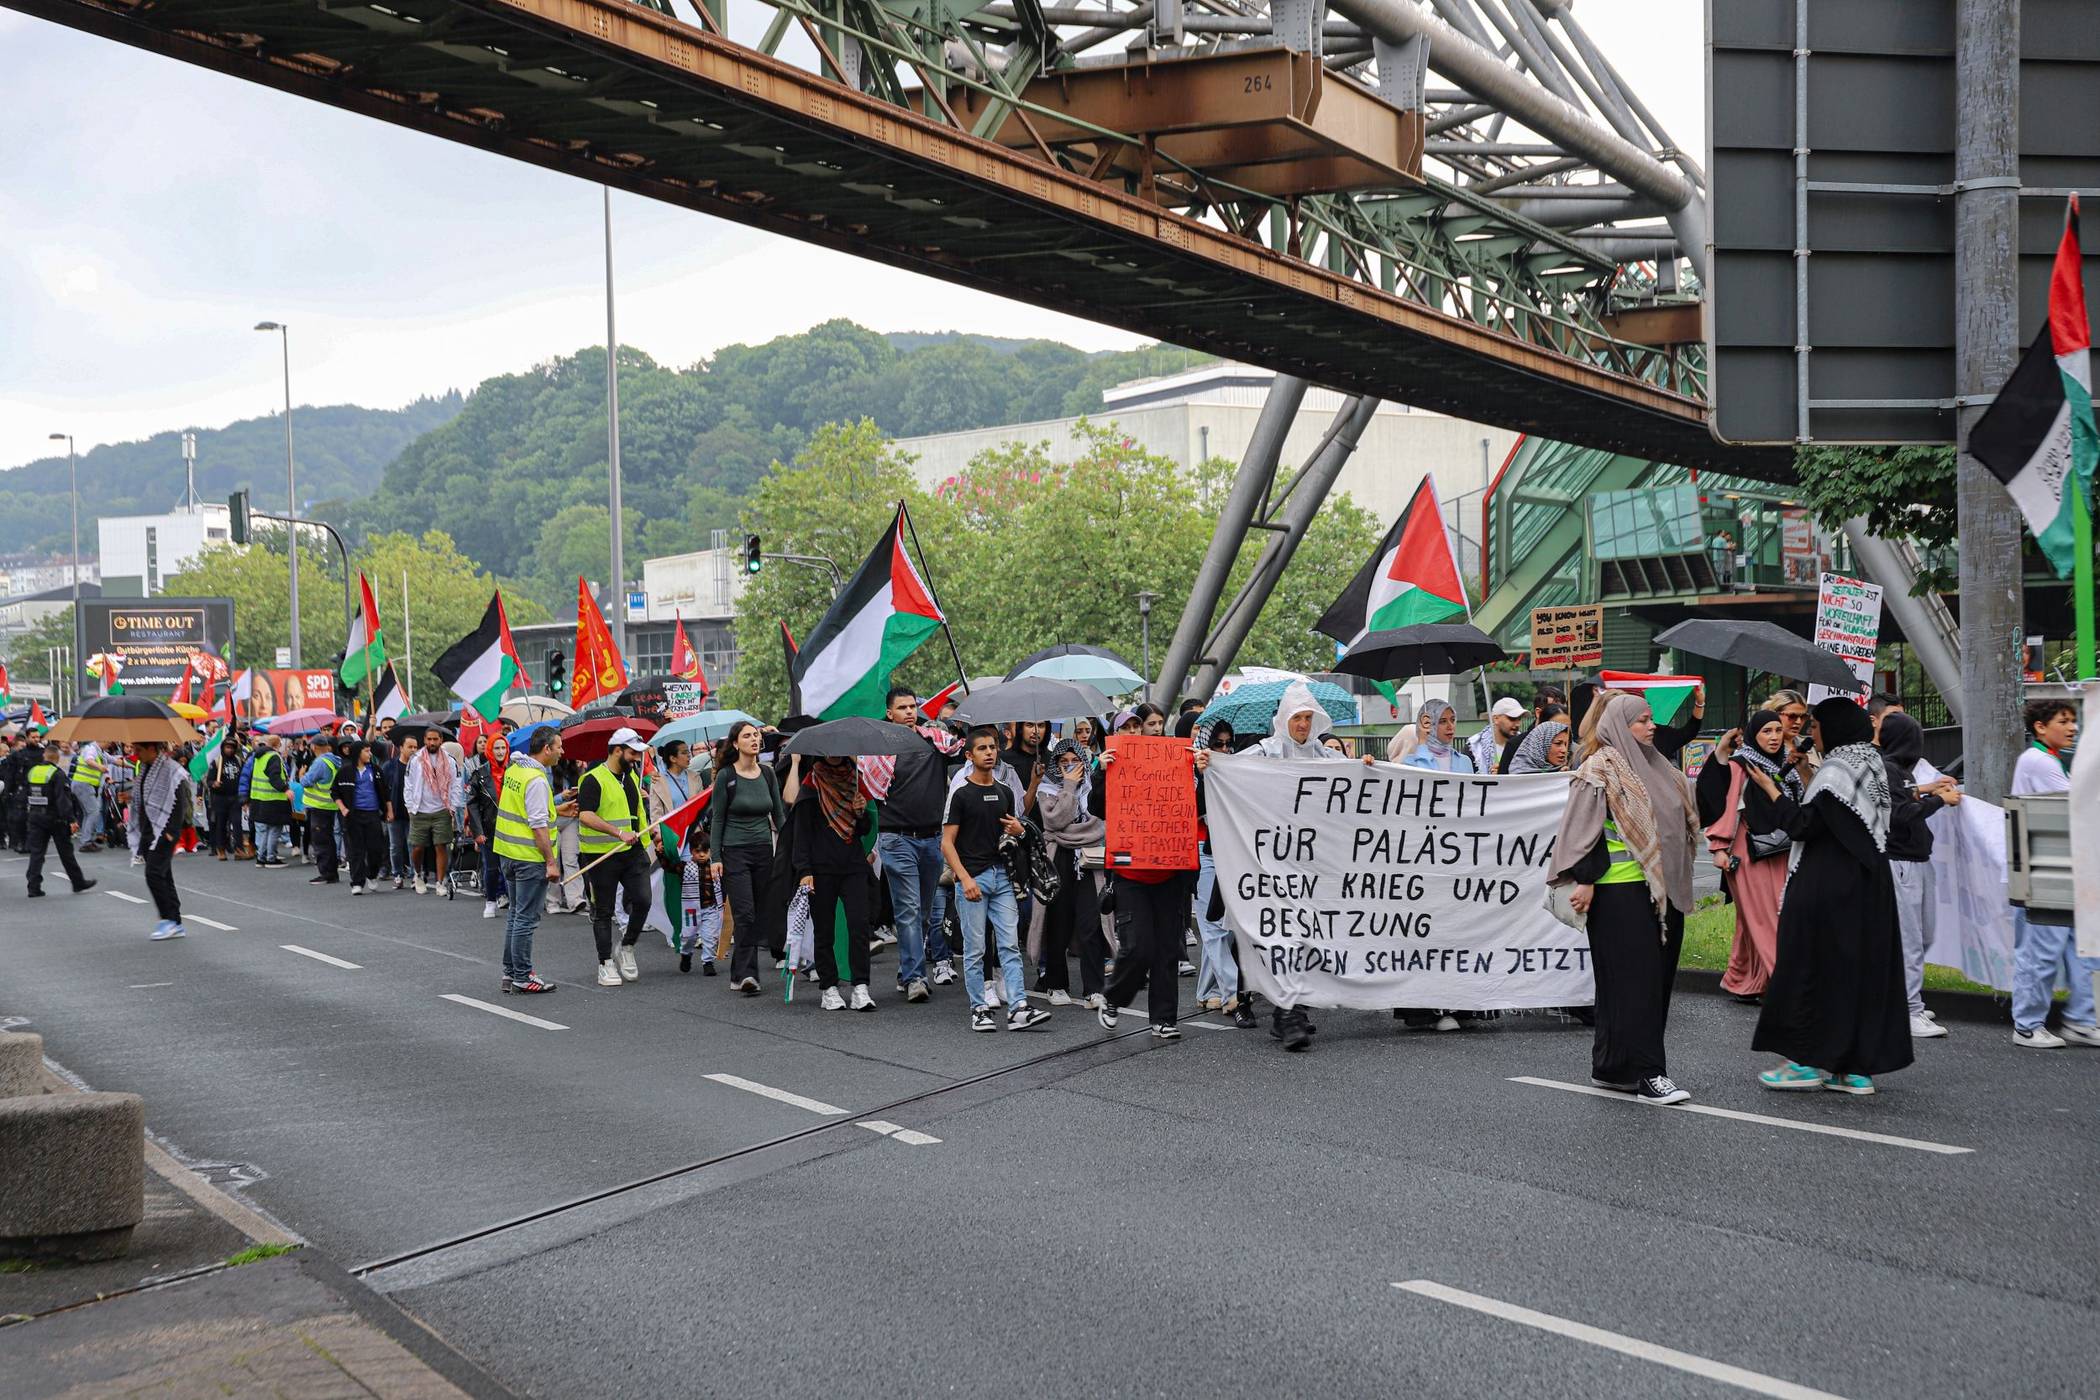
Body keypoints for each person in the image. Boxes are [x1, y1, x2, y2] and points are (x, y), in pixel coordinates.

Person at [1741, 697, 1913, 1094]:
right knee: (1855, 974)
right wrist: (1802, 770)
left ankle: (1802, 1061)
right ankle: (1851, 1068)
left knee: (1810, 968)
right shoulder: (1867, 762)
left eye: (1815, 725)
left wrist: (1770, 788)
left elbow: (1804, 825)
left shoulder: (1836, 770)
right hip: (1869, 886)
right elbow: (1840, 817)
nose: (1808, 733)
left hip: (1828, 888)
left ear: (1833, 727)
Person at [1548, 692, 1700, 1104]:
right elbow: (1581, 831)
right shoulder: (1599, 768)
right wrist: (1585, 879)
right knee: (1635, 983)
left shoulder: (1661, 769)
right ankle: (1651, 1074)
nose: (1651, 726)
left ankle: (1613, 1068)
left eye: (1651, 719)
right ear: (1619, 725)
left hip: (1662, 891)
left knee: (1650, 981)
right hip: (1618, 891)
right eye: (1642, 721)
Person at [2006, 698, 2100, 1049]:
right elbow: (2078, 809)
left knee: (2084, 948)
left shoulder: (2049, 761)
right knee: (2041, 952)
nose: (2073, 727)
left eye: (2074, 721)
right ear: (2041, 728)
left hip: (2063, 871)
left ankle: (2082, 1020)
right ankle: (2028, 1026)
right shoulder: (2039, 762)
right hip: (2044, 875)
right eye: (2064, 721)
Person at [859, 687, 964, 1002]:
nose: (908, 712)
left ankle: (907, 972)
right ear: (889, 713)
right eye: (901, 707)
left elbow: (965, 749)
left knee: (921, 913)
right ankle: (917, 978)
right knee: (907, 910)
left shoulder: (934, 741)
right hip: (896, 838)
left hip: (932, 838)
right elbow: (866, 784)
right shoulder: (877, 750)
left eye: (912, 707)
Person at [945, 726, 1050, 1033]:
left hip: (1002, 876)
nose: (990, 752)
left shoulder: (1004, 791)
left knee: (1009, 945)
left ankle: (1018, 1007)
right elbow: (946, 843)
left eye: (992, 747)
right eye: (982, 749)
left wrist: (1018, 830)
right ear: (969, 755)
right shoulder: (961, 794)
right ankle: (979, 1009)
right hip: (972, 879)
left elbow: (1013, 828)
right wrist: (964, 879)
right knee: (976, 949)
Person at [1705, 710, 1801, 1003]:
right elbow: (1727, 805)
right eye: (1766, 732)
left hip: (1782, 849)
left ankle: (1744, 980)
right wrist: (1719, 846)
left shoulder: (1787, 763)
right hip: (1748, 852)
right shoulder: (1741, 764)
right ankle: (1787, 988)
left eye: (1776, 730)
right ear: (1752, 736)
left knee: (1754, 919)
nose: (1773, 737)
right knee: (1767, 918)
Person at [1878, 712, 1956, 1038]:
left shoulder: (1900, 772)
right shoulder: (1888, 769)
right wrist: (1938, 799)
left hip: (1917, 860)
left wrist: (1927, 790)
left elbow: (1904, 798)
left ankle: (1904, 1002)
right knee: (1911, 942)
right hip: (1901, 863)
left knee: (1922, 937)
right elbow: (1899, 813)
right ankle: (1910, 1011)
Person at [790, 755, 878, 1012]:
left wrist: (861, 813)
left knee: (859, 925)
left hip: (852, 865)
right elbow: (801, 831)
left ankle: (860, 986)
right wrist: (804, 870)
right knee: (824, 930)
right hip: (820, 869)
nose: (834, 753)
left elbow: (863, 829)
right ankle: (829, 988)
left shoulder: (856, 780)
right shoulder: (811, 783)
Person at [710, 719, 787, 996]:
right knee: (745, 913)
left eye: (756, 736)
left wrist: (791, 847)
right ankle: (747, 974)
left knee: (758, 914)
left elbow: (778, 814)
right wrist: (715, 857)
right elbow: (717, 819)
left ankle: (738, 973)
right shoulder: (726, 776)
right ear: (735, 743)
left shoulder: (767, 774)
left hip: (763, 850)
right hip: (734, 851)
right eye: (747, 736)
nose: (754, 740)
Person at [578, 727, 655, 988]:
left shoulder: (631, 776)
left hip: (633, 853)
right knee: (604, 911)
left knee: (643, 900)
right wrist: (617, 832)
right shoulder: (592, 779)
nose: (636, 758)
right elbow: (585, 815)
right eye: (632, 753)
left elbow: (637, 812)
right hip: (601, 855)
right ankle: (605, 963)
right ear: (617, 750)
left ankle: (627, 945)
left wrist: (649, 839)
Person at [490, 725, 563, 995]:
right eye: (559, 746)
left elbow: (523, 810)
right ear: (546, 749)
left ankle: (511, 972)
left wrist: (557, 805)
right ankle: (522, 975)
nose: (561, 751)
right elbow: (538, 824)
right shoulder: (536, 779)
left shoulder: (515, 769)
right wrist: (551, 862)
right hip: (528, 858)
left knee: (515, 917)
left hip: (508, 854)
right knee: (525, 919)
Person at [1036, 738, 1107, 1010]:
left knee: (1091, 923)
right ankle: (1056, 984)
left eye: (1074, 761)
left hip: (1089, 860)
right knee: (1059, 922)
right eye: (1063, 762)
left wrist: (1071, 829)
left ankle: (1094, 989)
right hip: (1059, 858)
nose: (1069, 766)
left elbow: (1099, 824)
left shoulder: (1092, 787)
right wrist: (1068, 787)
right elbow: (1053, 820)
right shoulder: (1047, 788)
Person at [1191, 720, 1240, 1013]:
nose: (1223, 749)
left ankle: (1206, 989)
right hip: (1202, 852)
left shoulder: (1233, 769)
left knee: (1224, 926)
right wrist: (1204, 775)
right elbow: (1194, 811)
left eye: (1227, 743)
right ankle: (1230, 991)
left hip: (1229, 852)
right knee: (1211, 925)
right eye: (1217, 744)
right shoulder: (1191, 770)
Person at [127, 739, 192, 940]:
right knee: (164, 875)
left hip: (164, 832)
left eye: (139, 750)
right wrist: (127, 796)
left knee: (153, 873)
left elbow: (179, 802)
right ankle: (175, 921)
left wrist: (172, 832)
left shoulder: (171, 770)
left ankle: (167, 919)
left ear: (152, 748)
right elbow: (147, 797)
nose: (136, 754)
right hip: (149, 831)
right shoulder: (146, 769)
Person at [23, 740, 95, 898]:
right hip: (54, 819)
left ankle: (33, 887)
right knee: (66, 853)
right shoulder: (57, 774)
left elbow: (25, 794)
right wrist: (71, 820)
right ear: (57, 758)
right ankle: (78, 882)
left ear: (44, 755)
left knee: (37, 853)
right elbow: (63, 800)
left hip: (35, 816)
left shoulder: (33, 771)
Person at [403, 726, 458, 894]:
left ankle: (441, 882)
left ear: (441, 740)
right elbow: (409, 784)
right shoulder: (416, 759)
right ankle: (418, 874)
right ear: (424, 741)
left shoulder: (449, 760)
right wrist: (410, 807)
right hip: (419, 810)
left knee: (441, 846)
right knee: (418, 847)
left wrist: (453, 807)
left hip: (442, 809)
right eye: (429, 739)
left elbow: (455, 785)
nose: (432, 742)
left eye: (435, 739)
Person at [465, 733, 512, 920]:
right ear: (490, 750)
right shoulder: (480, 773)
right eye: (496, 748)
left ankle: (513, 902)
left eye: (503, 748)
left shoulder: (514, 770)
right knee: (492, 868)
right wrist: (478, 831)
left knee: (511, 868)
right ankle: (491, 902)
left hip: (511, 827)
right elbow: (472, 803)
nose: (500, 752)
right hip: (489, 828)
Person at [335, 739, 388, 895]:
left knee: (375, 849)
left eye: (370, 751)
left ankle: (372, 874)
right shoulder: (345, 771)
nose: (369, 754)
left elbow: (385, 791)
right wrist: (343, 808)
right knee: (356, 850)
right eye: (366, 751)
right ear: (358, 753)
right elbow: (335, 791)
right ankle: (357, 882)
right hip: (354, 815)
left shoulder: (376, 770)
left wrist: (388, 810)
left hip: (373, 814)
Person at [301, 735, 342, 886]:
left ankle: (326, 873)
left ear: (313, 747)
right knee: (328, 840)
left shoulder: (320, 762)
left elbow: (306, 781)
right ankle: (331, 872)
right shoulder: (333, 760)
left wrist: (302, 775)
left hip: (319, 807)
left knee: (321, 841)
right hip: (329, 806)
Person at [247, 733, 292, 868]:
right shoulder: (274, 757)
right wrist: (285, 789)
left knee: (264, 829)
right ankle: (271, 858)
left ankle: (261, 857)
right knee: (274, 828)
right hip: (273, 799)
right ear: (277, 745)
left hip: (258, 798)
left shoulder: (259, 756)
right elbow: (274, 777)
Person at [1401, 700, 1476, 774]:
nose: (1450, 726)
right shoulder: (1409, 763)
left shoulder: (1465, 762)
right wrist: (1422, 743)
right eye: (1443, 721)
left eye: (1452, 720)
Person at [206, 729, 243, 860]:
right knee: (221, 824)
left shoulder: (238, 760)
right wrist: (213, 783)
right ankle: (221, 849)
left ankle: (239, 849)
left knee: (237, 823)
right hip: (220, 798)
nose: (229, 750)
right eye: (227, 747)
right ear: (223, 748)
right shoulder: (216, 762)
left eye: (232, 747)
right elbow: (208, 780)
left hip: (235, 797)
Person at [69, 738, 108, 852]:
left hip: (82, 785)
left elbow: (115, 761)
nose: (111, 744)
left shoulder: (100, 752)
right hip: (83, 784)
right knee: (94, 811)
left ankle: (86, 841)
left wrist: (131, 764)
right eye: (110, 741)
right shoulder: (91, 748)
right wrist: (100, 767)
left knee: (88, 813)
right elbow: (89, 760)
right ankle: (86, 842)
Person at [1468, 697, 1524, 774]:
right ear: (1496, 718)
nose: (1518, 724)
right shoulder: (1474, 747)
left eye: (1519, 719)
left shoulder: (1525, 745)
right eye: (1512, 719)